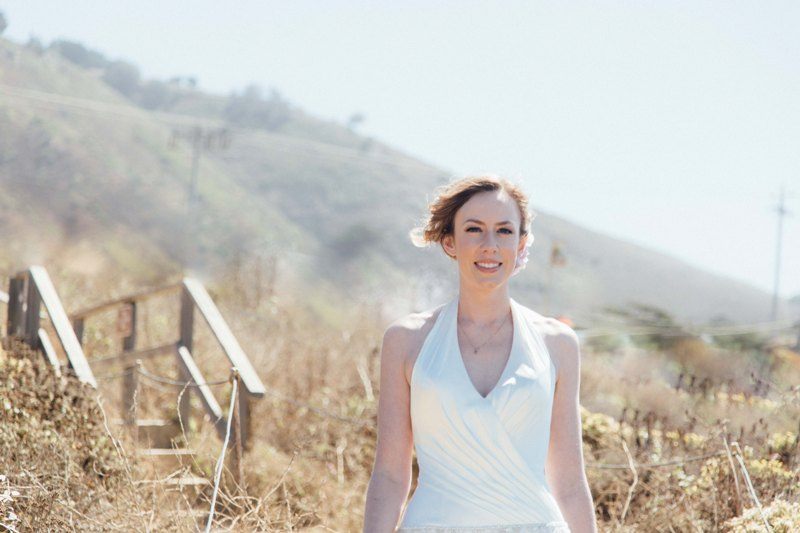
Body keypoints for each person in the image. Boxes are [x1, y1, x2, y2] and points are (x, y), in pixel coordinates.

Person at [363, 175, 597, 533]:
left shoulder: (558, 344)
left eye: (504, 231)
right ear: (449, 242)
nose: (490, 244)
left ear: (521, 244)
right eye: (474, 229)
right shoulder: (406, 340)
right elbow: (391, 475)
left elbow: (568, 481)